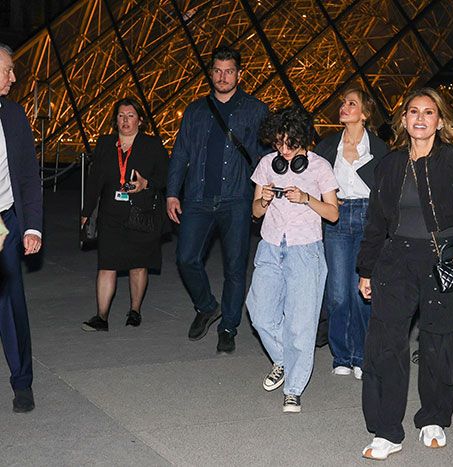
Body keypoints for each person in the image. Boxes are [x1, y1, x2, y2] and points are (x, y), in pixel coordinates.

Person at [356, 87, 453, 459]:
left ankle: (433, 418)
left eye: (428, 112)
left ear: (440, 121)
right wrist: (366, 269)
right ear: (404, 119)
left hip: (444, 259)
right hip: (395, 261)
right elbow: (375, 222)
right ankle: (387, 430)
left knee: (442, 343)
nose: (420, 118)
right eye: (413, 112)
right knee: (385, 345)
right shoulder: (390, 165)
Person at [167, 45, 268, 353]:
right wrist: (172, 192)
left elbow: (262, 155)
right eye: (218, 71)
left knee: (236, 268)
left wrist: (263, 195)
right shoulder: (195, 110)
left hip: (236, 198)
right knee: (185, 258)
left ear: (239, 74)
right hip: (197, 197)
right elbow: (181, 152)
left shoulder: (255, 109)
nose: (223, 77)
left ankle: (228, 327)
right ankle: (207, 305)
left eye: (229, 71)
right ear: (211, 73)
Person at [246, 106, 338, 413]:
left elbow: (333, 213)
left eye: (290, 143)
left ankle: (294, 388)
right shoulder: (266, 165)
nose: (283, 150)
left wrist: (307, 199)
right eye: (278, 143)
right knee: (259, 312)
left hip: (305, 252)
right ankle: (284, 359)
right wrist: (264, 199)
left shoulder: (320, 167)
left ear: (302, 141)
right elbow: (255, 212)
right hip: (271, 246)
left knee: (301, 324)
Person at [314, 88, 389, 379]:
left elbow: (388, 188)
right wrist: (327, 198)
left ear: (365, 113)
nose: (343, 107)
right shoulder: (327, 146)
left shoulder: (380, 149)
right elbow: (310, 179)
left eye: (351, 103)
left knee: (362, 292)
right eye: (343, 103)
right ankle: (341, 354)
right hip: (337, 220)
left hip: (369, 218)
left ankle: (361, 354)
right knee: (337, 294)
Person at [80, 98, 169, 331]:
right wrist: (86, 212)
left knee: (138, 265)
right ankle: (101, 316)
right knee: (106, 265)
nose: (125, 120)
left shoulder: (153, 145)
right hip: (110, 214)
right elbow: (95, 181)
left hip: (140, 213)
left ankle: (135, 310)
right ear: (115, 119)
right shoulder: (105, 143)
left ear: (140, 119)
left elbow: (165, 177)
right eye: (121, 115)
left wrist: (146, 184)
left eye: (130, 115)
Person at [0, 43, 43, 413]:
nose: (14, 78)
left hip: (5, 223)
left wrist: (32, 227)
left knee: (11, 304)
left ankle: (22, 383)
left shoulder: (14, 115)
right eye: (8, 70)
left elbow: (29, 176)